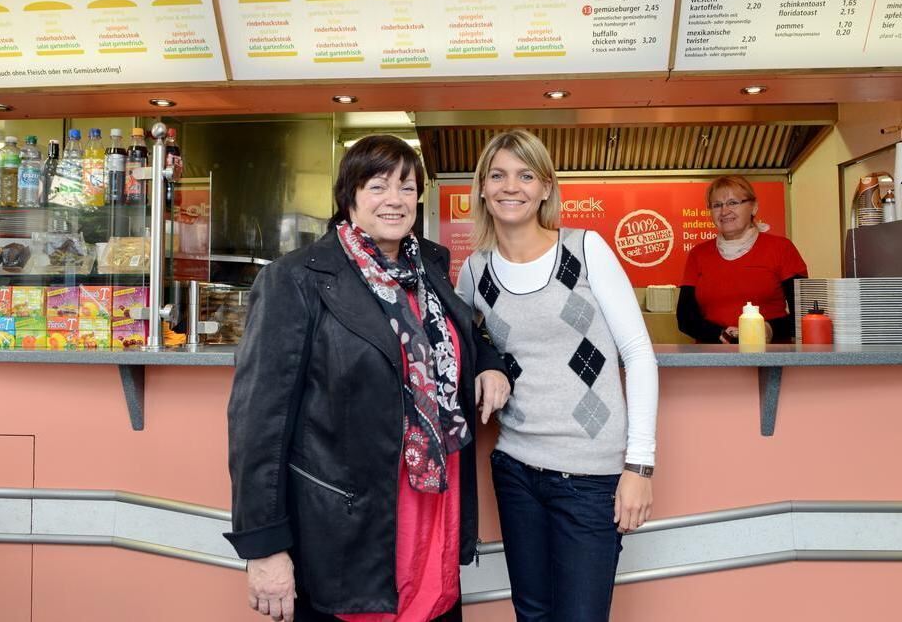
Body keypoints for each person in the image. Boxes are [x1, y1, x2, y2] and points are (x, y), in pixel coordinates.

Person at [226, 135, 512, 622]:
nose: (395, 199)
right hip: (351, 530)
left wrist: (488, 361)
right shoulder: (297, 279)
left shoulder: (429, 266)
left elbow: (464, 329)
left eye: (406, 186)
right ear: (350, 195)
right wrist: (265, 547)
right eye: (378, 186)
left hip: (432, 520)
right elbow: (258, 424)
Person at [455, 130, 659, 622]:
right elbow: (460, 344)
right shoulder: (475, 271)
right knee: (532, 614)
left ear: (546, 187)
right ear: (482, 188)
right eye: (498, 175)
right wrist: (486, 365)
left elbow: (638, 354)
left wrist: (639, 468)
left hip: (590, 476)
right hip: (516, 468)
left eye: (526, 175)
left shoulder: (585, 250)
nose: (511, 186)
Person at [677, 175, 808, 344]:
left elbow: (804, 314)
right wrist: (720, 335)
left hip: (769, 355)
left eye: (733, 203)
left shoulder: (782, 248)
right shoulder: (698, 254)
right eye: (717, 205)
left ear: (753, 207)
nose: (724, 211)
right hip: (712, 355)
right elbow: (685, 317)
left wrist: (769, 329)